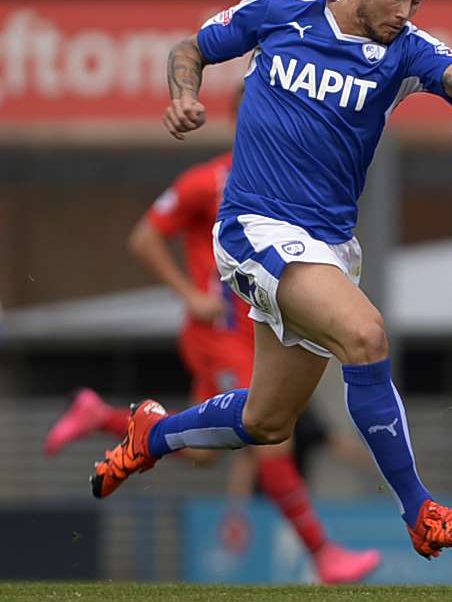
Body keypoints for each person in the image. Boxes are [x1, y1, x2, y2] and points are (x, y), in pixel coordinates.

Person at [89, 0, 452, 560]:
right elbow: (191, 48)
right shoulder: (281, 8)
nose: (405, 11)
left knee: (267, 421)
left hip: (328, 247)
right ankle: (420, 511)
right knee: (365, 335)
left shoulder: (406, 50)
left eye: (417, 0)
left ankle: (154, 433)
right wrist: (184, 96)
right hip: (253, 229)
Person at [48, 151, 381, 584]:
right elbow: (144, 238)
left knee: (203, 452)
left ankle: (104, 417)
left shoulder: (291, 174)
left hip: (256, 334)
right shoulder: (208, 180)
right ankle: (322, 553)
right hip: (221, 338)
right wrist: (189, 294)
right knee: (270, 435)